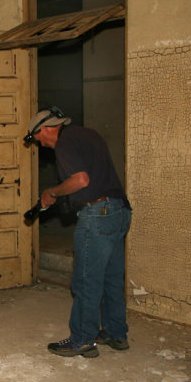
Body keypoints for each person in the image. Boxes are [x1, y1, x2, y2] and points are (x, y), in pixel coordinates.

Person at [24, 107, 132, 358]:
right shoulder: (88, 135)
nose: (39, 143)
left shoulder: (64, 143)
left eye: (37, 137)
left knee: (86, 280)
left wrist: (51, 192)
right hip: (119, 211)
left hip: (97, 215)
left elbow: (81, 180)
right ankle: (116, 333)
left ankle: (83, 338)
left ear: (46, 129)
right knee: (111, 279)